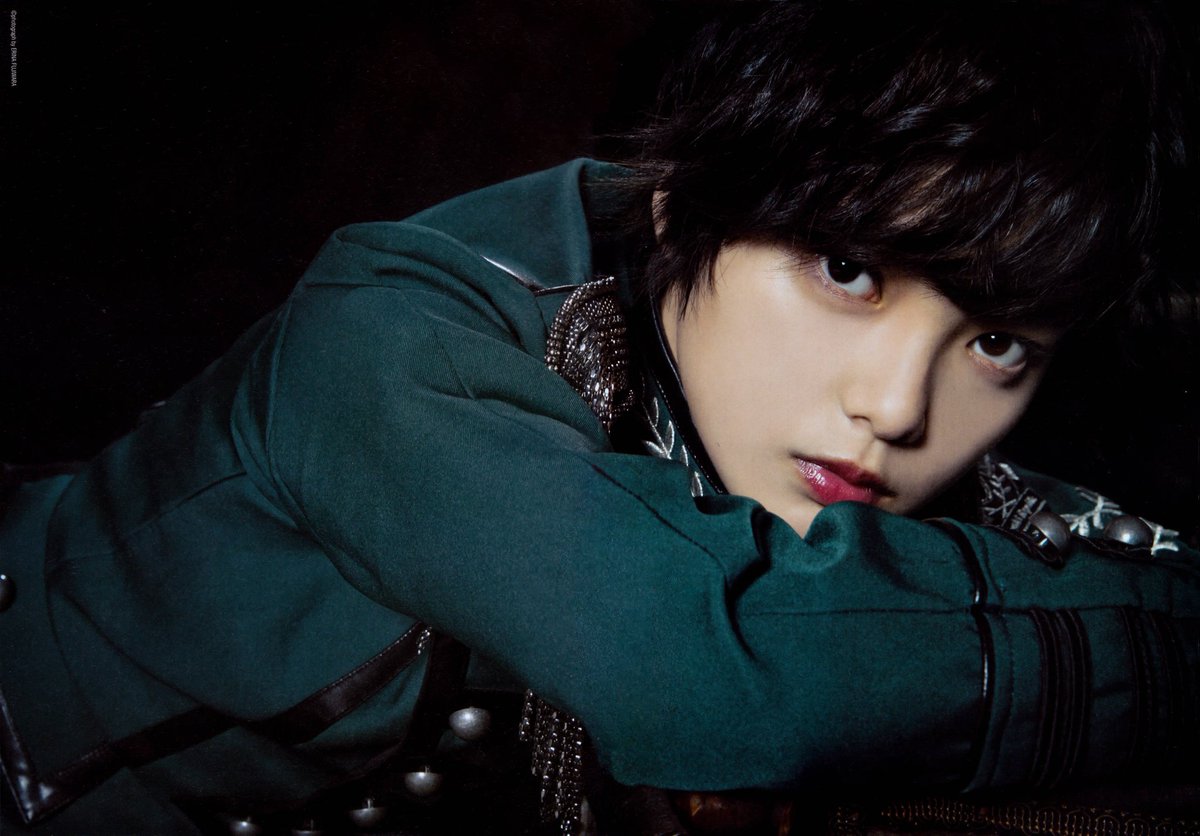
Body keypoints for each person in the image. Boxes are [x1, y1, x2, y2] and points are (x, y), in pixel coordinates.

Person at [1, 1, 1197, 834]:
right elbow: (716, 670)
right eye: (846, 271)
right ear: (682, 204)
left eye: (995, 342)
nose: (895, 406)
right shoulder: (393, 333)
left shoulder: (801, 399)